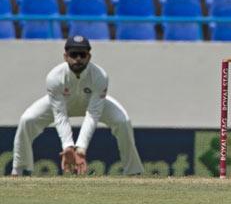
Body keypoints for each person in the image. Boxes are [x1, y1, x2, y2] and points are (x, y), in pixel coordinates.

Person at [11, 35, 144, 176]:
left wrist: (81, 149)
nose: (78, 58)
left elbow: (93, 114)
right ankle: (18, 170)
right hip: (62, 104)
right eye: (74, 54)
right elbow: (60, 114)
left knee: (123, 121)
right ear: (65, 56)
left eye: (82, 54)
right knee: (27, 120)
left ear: (89, 57)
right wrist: (68, 146)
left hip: (93, 104)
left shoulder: (100, 76)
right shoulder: (54, 77)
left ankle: (133, 172)